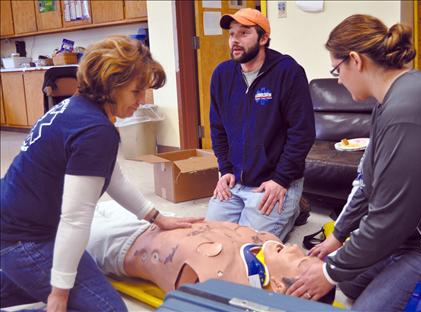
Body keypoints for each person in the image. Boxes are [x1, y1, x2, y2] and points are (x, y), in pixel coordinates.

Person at [0, 36, 201, 311]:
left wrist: (156, 217)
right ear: (111, 86)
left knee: (35, 281)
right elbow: (75, 219)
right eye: (136, 92)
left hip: (16, 225)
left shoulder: (75, 108)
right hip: (25, 238)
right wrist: (60, 293)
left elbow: (112, 178)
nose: (142, 101)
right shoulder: (95, 130)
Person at [285, 14, 421, 311]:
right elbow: (368, 184)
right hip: (420, 232)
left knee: (362, 302)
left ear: (356, 60)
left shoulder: (411, 107)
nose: (339, 80)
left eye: (337, 70)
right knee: (351, 281)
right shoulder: (390, 101)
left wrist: (329, 271)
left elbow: (391, 217)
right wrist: (338, 237)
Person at [206, 8, 315, 241]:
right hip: (235, 181)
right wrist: (224, 169)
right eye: (232, 33)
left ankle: (293, 208)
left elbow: (302, 133)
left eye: (244, 33)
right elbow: (217, 127)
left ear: (263, 38)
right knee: (210, 239)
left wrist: (281, 180)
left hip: (272, 181)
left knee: (249, 247)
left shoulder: (288, 72)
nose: (235, 40)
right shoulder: (222, 75)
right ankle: (289, 209)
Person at [86, 203, 334, 304]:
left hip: (123, 243)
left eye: (299, 261)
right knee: (96, 199)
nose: (294, 247)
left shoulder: (224, 285)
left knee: (62, 217)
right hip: (155, 217)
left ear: (279, 285)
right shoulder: (269, 242)